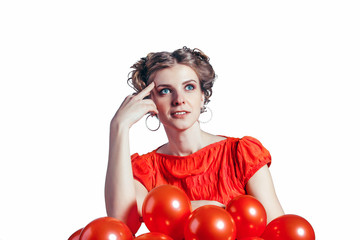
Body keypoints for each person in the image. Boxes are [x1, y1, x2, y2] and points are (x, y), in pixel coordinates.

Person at [105, 46, 284, 231]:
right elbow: (121, 226)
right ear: (150, 102)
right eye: (165, 91)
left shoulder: (241, 154)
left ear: (203, 96)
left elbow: (278, 230)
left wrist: (175, 210)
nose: (179, 99)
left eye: (189, 87)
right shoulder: (145, 170)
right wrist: (119, 127)